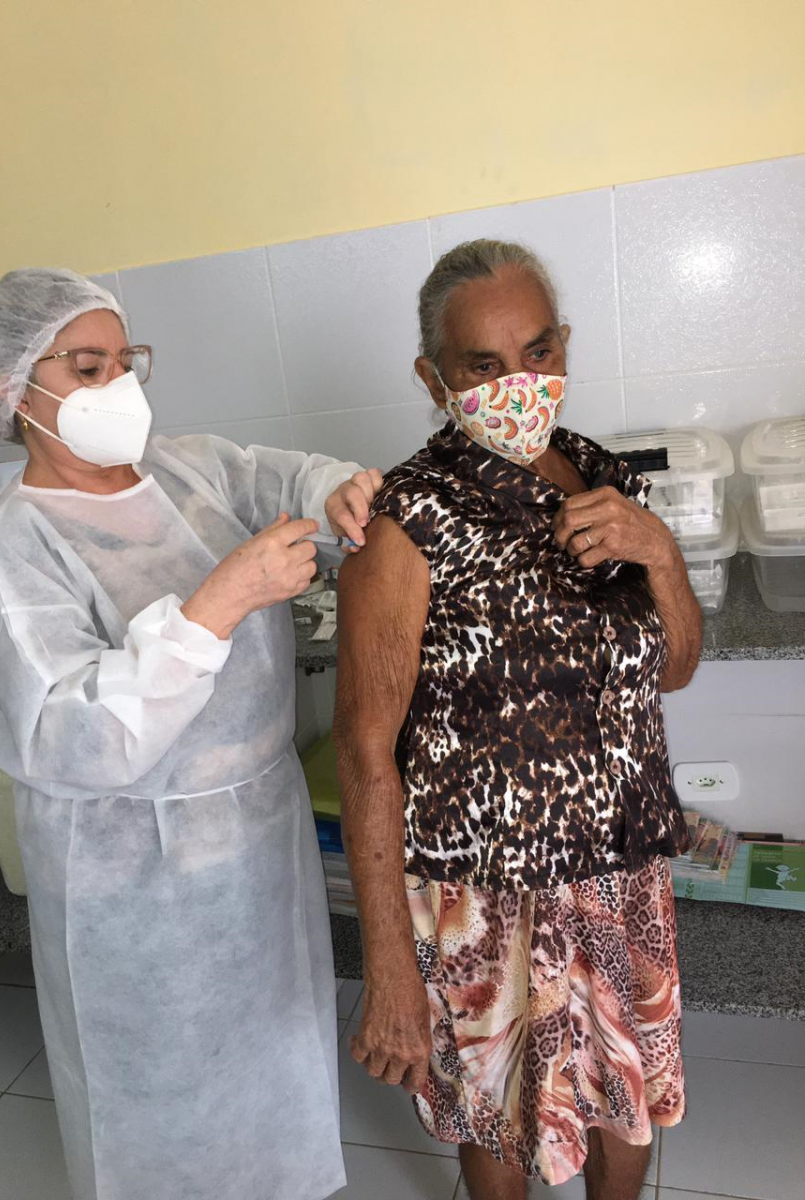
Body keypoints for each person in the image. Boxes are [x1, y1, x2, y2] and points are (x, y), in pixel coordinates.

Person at [0, 267, 382, 1200]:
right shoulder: (13, 550)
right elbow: (76, 735)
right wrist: (217, 603)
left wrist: (340, 490)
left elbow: (288, 477)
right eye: (88, 366)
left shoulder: (187, 471)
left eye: (125, 360)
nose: (118, 385)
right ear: (17, 391)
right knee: (164, 1099)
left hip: (259, 842)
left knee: (274, 1059)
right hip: (133, 876)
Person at [333, 240, 702, 1200]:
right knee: (497, 1114)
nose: (519, 383)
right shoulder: (407, 521)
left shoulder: (604, 477)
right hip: (484, 895)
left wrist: (660, 554)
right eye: (483, 365)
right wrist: (389, 966)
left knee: (625, 1097)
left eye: (537, 352)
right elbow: (365, 753)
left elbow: (674, 668)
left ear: (564, 345)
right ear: (434, 379)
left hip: (620, 872)